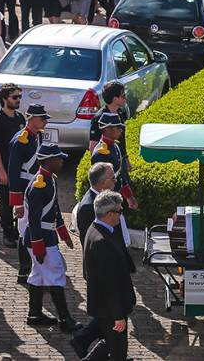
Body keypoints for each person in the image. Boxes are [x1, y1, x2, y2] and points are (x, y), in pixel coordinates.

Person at [24, 142, 81, 332]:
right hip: (40, 237)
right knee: (56, 275)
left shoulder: (50, 179)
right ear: (48, 161)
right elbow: (33, 219)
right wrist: (39, 246)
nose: (62, 162)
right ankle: (65, 320)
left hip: (45, 236)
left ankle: (34, 314)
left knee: (38, 276)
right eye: (58, 159)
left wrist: (63, 234)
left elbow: (54, 210)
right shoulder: (39, 184)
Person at [81, 190, 137, 361]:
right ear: (109, 214)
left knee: (110, 344)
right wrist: (118, 316)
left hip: (106, 308)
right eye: (120, 211)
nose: (121, 215)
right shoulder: (102, 241)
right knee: (118, 352)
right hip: (111, 309)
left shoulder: (95, 228)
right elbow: (110, 285)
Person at [8, 103, 50, 283]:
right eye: (42, 118)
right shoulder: (21, 140)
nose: (45, 122)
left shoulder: (37, 137)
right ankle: (23, 272)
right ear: (31, 119)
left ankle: (35, 268)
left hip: (34, 188)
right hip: (24, 191)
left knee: (34, 229)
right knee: (25, 231)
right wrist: (17, 202)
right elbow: (13, 171)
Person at [0, 84, 26, 249]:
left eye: (19, 96)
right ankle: (7, 232)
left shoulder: (20, 118)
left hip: (20, 170)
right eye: (14, 97)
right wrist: (2, 171)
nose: (18, 100)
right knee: (6, 203)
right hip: (5, 170)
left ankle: (18, 230)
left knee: (20, 200)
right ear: (4, 99)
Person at [90, 111, 138, 210]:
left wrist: (129, 196)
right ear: (107, 129)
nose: (121, 130)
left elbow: (120, 175)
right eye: (118, 128)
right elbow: (101, 184)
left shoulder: (115, 146)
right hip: (106, 203)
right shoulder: (101, 153)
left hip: (115, 198)